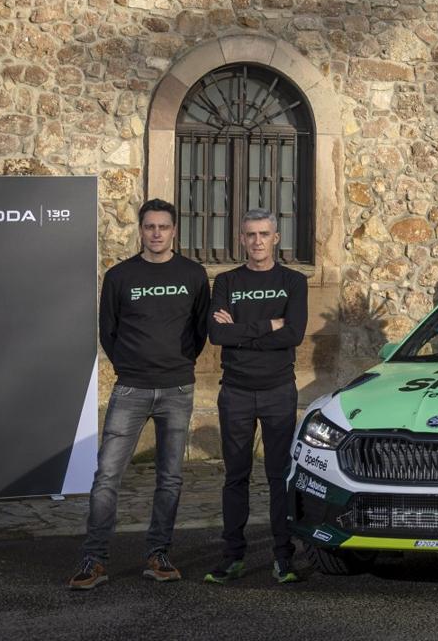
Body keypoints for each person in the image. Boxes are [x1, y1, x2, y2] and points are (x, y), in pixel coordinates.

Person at [69, 199, 210, 590]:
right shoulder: (119, 276)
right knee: (107, 476)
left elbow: (199, 332)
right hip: (130, 388)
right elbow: (108, 331)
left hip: (177, 388)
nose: (157, 233)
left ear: (174, 230)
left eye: (163, 226)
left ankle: (158, 553)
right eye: (150, 226)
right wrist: (131, 366)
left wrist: (176, 364)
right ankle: (94, 560)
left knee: (170, 478)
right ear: (141, 230)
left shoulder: (194, 274)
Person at [204, 209, 309, 585]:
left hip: (279, 390)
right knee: (236, 476)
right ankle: (233, 556)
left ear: (276, 238)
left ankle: (284, 557)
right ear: (242, 239)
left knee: (279, 476)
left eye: (264, 234)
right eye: (250, 234)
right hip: (235, 391)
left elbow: (293, 334)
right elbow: (217, 337)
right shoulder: (226, 281)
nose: (258, 241)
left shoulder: (294, 282)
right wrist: (268, 325)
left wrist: (242, 330)